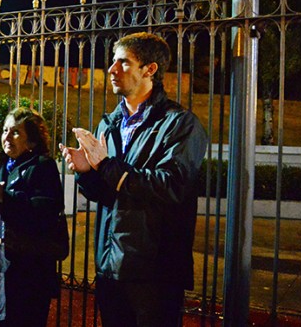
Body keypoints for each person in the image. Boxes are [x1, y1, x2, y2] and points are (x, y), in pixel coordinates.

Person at [59, 32, 208, 327]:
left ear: (150, 69)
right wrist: (87, 172)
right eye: (113, 62)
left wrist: (105, 164)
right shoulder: (109, 123)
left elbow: (171, 186)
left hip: (155, 272)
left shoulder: (180, 124)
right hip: (111, 266)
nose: (112, 70)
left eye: (123, 63)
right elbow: (109, 193)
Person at [0, 107, 64, 326]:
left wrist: (3, 197)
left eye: (15, 132)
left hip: (29, 274)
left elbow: (44, 213)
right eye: (4, 131)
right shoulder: (1, 167)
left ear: (31, 141)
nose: (7, 137)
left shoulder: (43, 167)